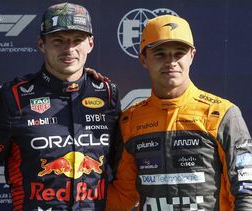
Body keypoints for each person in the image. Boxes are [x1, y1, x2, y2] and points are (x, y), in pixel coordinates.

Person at [106, 14, 252, 211]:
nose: (171, 62)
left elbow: (245, 191)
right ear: (143, 59)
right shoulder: (129, 120)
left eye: (179, 53)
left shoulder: (222, 113)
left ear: (192, 55)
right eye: (160, 54)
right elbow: (123, 195)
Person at [0, 2, 120, 210]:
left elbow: (124, 171)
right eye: (58, 40)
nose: (68, 49)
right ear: (41, 44)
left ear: (90, 44)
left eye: (77, 40)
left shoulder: (107, 93)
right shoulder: (14, 96)